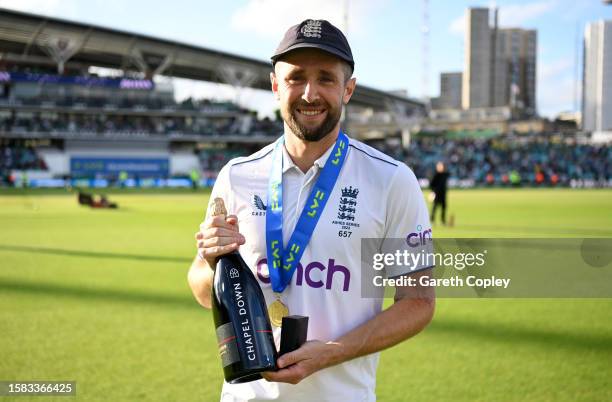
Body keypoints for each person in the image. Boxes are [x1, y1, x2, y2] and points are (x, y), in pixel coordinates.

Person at [188, 19, 435, 402]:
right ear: (274, 85)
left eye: (326, 79)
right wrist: (208, 259)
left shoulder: (391, 180)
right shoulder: (236, 176)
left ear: (348, 89)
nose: (309, 93)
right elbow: (205, 290)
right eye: (295, 78)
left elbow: (418, 302)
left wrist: (333, 352)